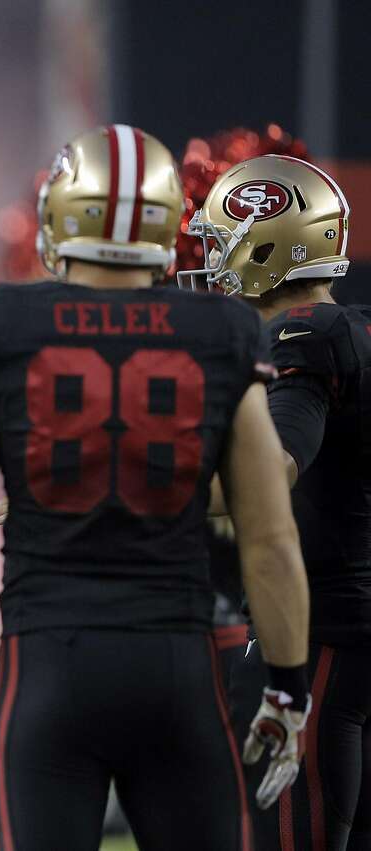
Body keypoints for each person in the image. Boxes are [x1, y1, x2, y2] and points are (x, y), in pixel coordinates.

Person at [0, 125, 311, 850]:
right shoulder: (220, 329)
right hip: (178, 667)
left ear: (61, 214)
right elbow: (269, 536)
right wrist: (289, 684)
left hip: (48, 662)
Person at [184, 153, 367, 850]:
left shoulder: (303, 339)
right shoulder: (351, 332)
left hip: (322, 639)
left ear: (267, 241)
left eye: (220, 239)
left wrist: (115, 498)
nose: (210, 259)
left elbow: (275, 467)